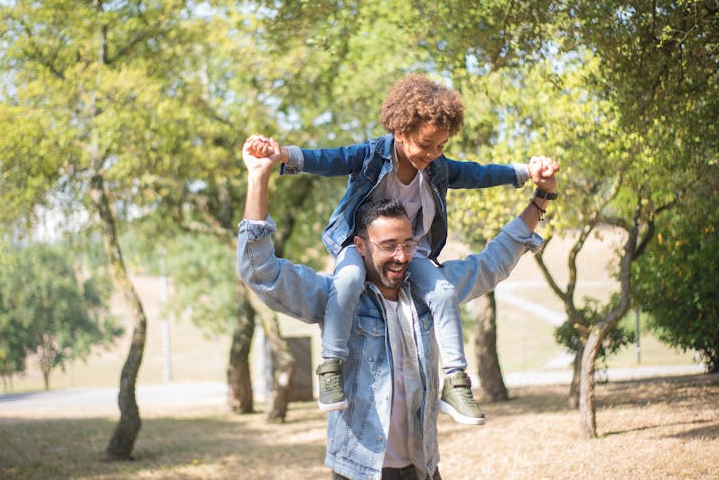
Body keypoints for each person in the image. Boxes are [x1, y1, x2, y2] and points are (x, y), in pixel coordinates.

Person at [237, 137, 559, 479]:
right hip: (360, 472)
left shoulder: (429, 294)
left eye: (408, 244)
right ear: (359, 246)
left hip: (423, 469)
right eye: (389, 246)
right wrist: (258, 178)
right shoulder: (336, 298)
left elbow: (492, 262)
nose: (401, 256)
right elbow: (261, 272)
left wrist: (541, 199)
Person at [244, 73, 557, 425]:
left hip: (419, 252)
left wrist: (527, 174)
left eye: (441, 146)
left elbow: (476, 174)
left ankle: (455, 381)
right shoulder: (371, 156)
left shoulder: (437, 168)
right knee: (346, 282)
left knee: (440, 292)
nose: (433, 154)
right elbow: (329, 159)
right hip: (354, 244)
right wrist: (280, 155)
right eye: (426, 144)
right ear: (400, 130)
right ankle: (331, 366)